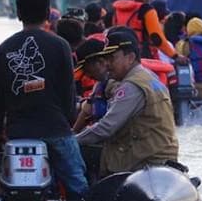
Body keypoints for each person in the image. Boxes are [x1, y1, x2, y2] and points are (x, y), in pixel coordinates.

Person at [0, 0, 89, 199]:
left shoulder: (4, 49)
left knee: (4, 189)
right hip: (56, 129)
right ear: (47, 13)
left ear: (18, 14)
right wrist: (69, 122)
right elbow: (68, 92)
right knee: (78, 184)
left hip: (18, 133)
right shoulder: (60, 45)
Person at [76, 31, 179, 177]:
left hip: (144, 161)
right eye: (105, 59)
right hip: (158, 156)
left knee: (74, 154)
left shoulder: (131, 86)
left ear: (130, 57)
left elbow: (106, 128)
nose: (107, 64)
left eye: (111, 59)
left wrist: (72, 142)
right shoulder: (148, 76)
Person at [112, 0, 187, 63]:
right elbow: (157, 38)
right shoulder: (147, 10)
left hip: (119, 60)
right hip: (142, 59)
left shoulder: (118, 10)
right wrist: (175, 56)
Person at [72, 38, 114, 133]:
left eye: (88, 70)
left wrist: (79, 139)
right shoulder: (100, 83)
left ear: (100, 62)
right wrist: (73, 134)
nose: (88, 75)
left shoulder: (116, 84)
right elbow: (87, 109)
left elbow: (110, 123)